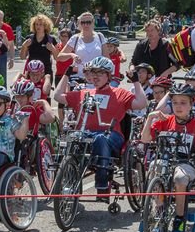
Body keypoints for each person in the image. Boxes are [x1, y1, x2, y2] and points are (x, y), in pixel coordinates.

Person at [54, 57, 147, 201]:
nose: (95, 76)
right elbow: (57, 96)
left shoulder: (119, 93)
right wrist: (66, 74)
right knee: (67, 139)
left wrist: (136, 81)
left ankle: (102, 185)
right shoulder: (84, 93)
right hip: (84, 134)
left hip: (111, 136)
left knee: (100, 138)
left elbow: (141, 103)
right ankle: (64, 177)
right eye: (93, 73)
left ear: (109, 75)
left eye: (100, 73)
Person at [141, 83, 195, 232]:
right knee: (155, 166)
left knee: (179, 178)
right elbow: (145, 138)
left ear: (191, 104)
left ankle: (179, 220)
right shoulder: (165, 121)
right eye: (175, 102)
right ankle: (159, 213)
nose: (178, 106)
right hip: (166, 161)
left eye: (183, 103)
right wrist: (150, 117)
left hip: (188, 163)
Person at [57, 12, 109, 79]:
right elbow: (59, 57)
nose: (85, 25)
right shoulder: (75, 38)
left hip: (97, 79)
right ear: (80, 24)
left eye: (88, 22)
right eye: (83, 22)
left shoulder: (100, 36)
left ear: (93, 23)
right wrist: (71, 55)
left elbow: (107, 59)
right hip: (79, 78)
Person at [20, 14, 58, 80]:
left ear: (45, 26)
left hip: (46, 72)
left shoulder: (51, 39)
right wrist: (24, 46)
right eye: (36, 24)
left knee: (45, 90)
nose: (38, 26)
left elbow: (57, 58)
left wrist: (53, 49)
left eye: (40, 24)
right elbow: (22, 57)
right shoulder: (29, 38)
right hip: (32, 73)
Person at [54, 28, 73, 121]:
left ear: (70, 37)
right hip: (59, 75)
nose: (63, 38)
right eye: (61, 36)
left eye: (65, 36)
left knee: (70, 100)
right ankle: (61, 123)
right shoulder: (58, 46)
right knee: (60, 100)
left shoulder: (74, 47)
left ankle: (71, 121)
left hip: (71, 75)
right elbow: (56, 58)